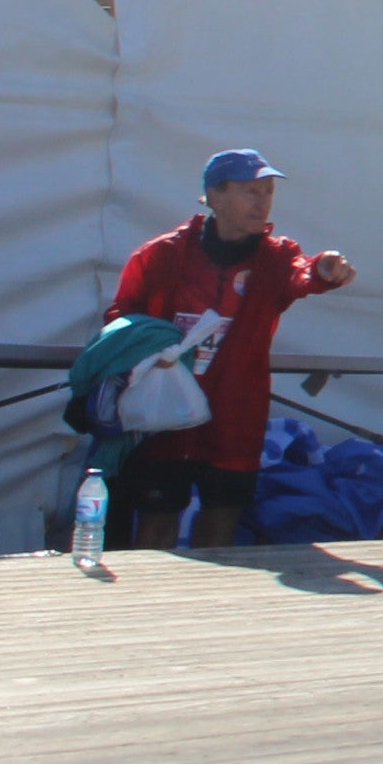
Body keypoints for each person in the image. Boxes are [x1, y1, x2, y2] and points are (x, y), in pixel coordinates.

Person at [108, 150, 357, 549]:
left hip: (234, 418)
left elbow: (303, 275)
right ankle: (146, 608)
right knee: (154, 525)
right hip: (162, 414)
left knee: (221, 529)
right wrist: (150, 350)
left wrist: (324, 270)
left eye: (268, 191)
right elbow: (120, 318)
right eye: (249, 191)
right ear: (215, 196)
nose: (262, 201)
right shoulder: (162, 254)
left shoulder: (277, 258)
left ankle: (212, 609)